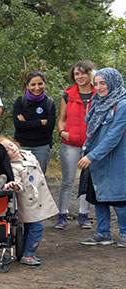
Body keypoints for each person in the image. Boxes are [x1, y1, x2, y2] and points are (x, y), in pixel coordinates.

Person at [78, 67, 126, 247]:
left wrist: (92, 156)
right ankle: (103, 233)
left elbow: (114, 136)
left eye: (103, 83)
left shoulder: (122, 104)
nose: (99, 87)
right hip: (95, 158)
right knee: (97, 195)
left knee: (119, 197)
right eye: (96, 83)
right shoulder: (97, 102)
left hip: (115, 159)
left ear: (113, 82)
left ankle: (124, 234)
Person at [0, 138, 58, 265]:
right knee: (36, 227)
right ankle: (28, 253)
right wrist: (15, 186)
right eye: (7, 150)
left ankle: (25, 250)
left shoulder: (28, 154)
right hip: (28, 201)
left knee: (32, 227)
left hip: (38, 195)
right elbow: (18, 184)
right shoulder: (13, 167)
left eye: (11, 145)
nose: (12, 148)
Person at [55, 60, 96, 229]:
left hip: (91, 144)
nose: (80, 76)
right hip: (70, 142)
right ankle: (62, 214)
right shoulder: (68, 95)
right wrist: (63, 132)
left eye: (83, 73)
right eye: (76, 74)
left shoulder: (98, 93)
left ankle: (83, 215)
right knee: (68, 180)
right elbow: (61, 119)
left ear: (90, 73)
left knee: (87, 180)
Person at [13, 71, 56, 173]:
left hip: (42, 146)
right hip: (22, 145)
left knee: (39, 178)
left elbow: (49, 127)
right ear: (27, 86)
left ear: (44, 84)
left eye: (40, 84)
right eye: (33, 84)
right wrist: (40, 122)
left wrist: (27, 123)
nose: (37, 87)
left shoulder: (49, 103)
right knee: (21, 177)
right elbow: (18, 125)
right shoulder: (20, 102)